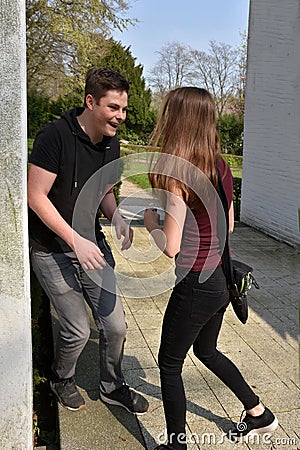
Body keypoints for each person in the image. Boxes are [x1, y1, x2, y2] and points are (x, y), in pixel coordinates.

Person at [143, 87, 278, 449]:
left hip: (195, 283)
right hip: (219, 279)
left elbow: (170, 247)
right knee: (206, 351)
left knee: (169, 365)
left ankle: (176, 444)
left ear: (177, 121)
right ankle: (258, 414)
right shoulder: (220, 165)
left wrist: (152, 222)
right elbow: (229, 224)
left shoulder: (176, 172)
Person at [28, 67, 149, 415]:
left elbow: (105, 191)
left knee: (115, 327)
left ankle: (112, 386)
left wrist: (117, 217)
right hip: (52, 250)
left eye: (124, 109)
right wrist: (74, 241)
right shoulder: (54, 136)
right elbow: (35, 197)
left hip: (91, 246)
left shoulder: (112, 145)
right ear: (90, 101)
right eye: (114, 108)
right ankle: (61, 378)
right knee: (78, 331)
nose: (121, 116)